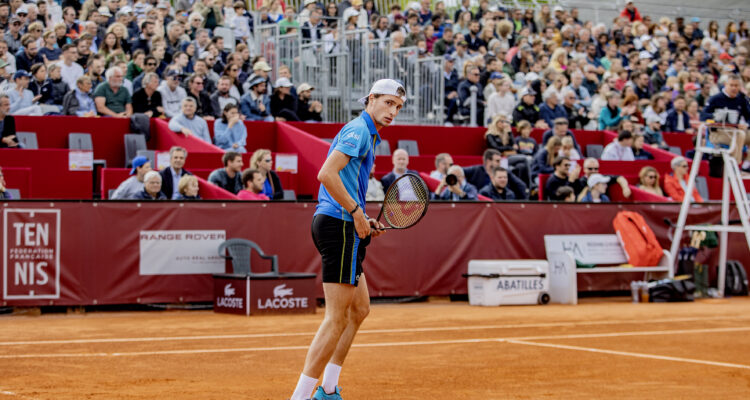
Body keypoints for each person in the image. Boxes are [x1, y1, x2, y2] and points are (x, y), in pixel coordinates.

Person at [290, 79, 404, 400]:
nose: (392, 111)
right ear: (370, 99)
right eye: (387, 103)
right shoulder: (358, 131)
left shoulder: (366, 133)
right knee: (336, 318)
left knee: (359, 310)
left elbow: (344, 181)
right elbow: (326, 173)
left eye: (397, 107)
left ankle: (328, 389)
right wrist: (355, 211)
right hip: (338, 224)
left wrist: (362, 217)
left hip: (344, 223)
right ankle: (300, 396)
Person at [700, 74, 750, 164]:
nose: (734, 88)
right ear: (725, 84)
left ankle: (747, 164)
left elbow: (748, 116)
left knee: (741, 134)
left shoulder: (741, 99)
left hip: (735, 129)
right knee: (740, 135)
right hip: (718, 132)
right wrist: (716, 117)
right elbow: (703, 115)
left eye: (736, 85)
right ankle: (735, 165)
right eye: (731, 85)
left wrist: (747, 125)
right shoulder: (715, 98)